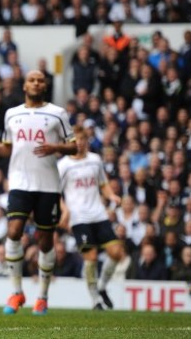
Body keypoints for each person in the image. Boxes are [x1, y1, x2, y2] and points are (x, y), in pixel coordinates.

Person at [0, 69, 76, 316]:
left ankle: (42, 297)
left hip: (48, 185)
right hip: (19, 182)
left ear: (44, 86)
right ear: (25, 86)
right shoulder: (12, 114)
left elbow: (74, 145)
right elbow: (8, 149)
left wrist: (56, 146)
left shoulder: (57, 113)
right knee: (13, 232)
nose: (36, 83)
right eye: (32, 80)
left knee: (45, 242)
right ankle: (16, 292)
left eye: (40, 80)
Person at [57, 125, 124, 310]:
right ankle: (95, 299)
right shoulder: (63, 165)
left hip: (98, 214)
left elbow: (103, 183)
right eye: (75, 140)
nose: (79, 144)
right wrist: (65, 211)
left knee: (117, 252)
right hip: (79, 218)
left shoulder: (95, 160)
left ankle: (102, 286)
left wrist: (111, 196)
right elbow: (56, 193)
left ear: (87, 141)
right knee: (91, 257)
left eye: (82, 140)